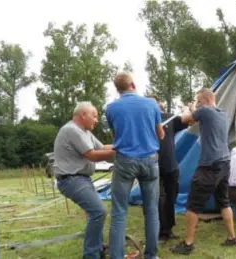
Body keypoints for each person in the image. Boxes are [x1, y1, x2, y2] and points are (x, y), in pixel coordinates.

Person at [105, 72, 165, 259]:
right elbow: (161, 135)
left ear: (118, 88)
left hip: (124, 161)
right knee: (151, 210)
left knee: (119, 212)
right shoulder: (151, 104)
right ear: (133, 84)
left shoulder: (111, 108)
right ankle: (151, 255)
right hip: (149, 160)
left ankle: (116, 256)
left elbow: (115, 137)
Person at [171, 88, 236, 255]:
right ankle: (232, 238)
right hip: (224, 162)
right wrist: (195, 107)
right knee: (224, 202)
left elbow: (187, 119)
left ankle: (187, 244)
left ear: (207, 100)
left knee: (193, 205)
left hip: (210, 166)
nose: (198, 104)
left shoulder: (205, 110)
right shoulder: (222, 113)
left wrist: (189, 108)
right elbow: (197, 118)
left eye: (199, 101)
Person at [53, 101, 115, 259]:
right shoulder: (72, 130)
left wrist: (121, 145)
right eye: (94, 116)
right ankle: (91, 254)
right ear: (83, 115)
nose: (96, 120)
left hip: (81, 179)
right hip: (71, 180)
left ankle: (98, 246)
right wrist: (123, 151)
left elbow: (102, 148)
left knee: (94, 212)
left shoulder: (85, 131)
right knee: (98, 211)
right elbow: (92, 155)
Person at [146, 95, 189, 242]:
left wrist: (187, 109)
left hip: (171, 166)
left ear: (160, 105)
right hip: (152, 165)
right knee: (159, 199)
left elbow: (187, 120)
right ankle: (160, 232)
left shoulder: (169, 118)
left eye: (155, 104)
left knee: (171, 198)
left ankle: (168, 229)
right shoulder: (143, 120)